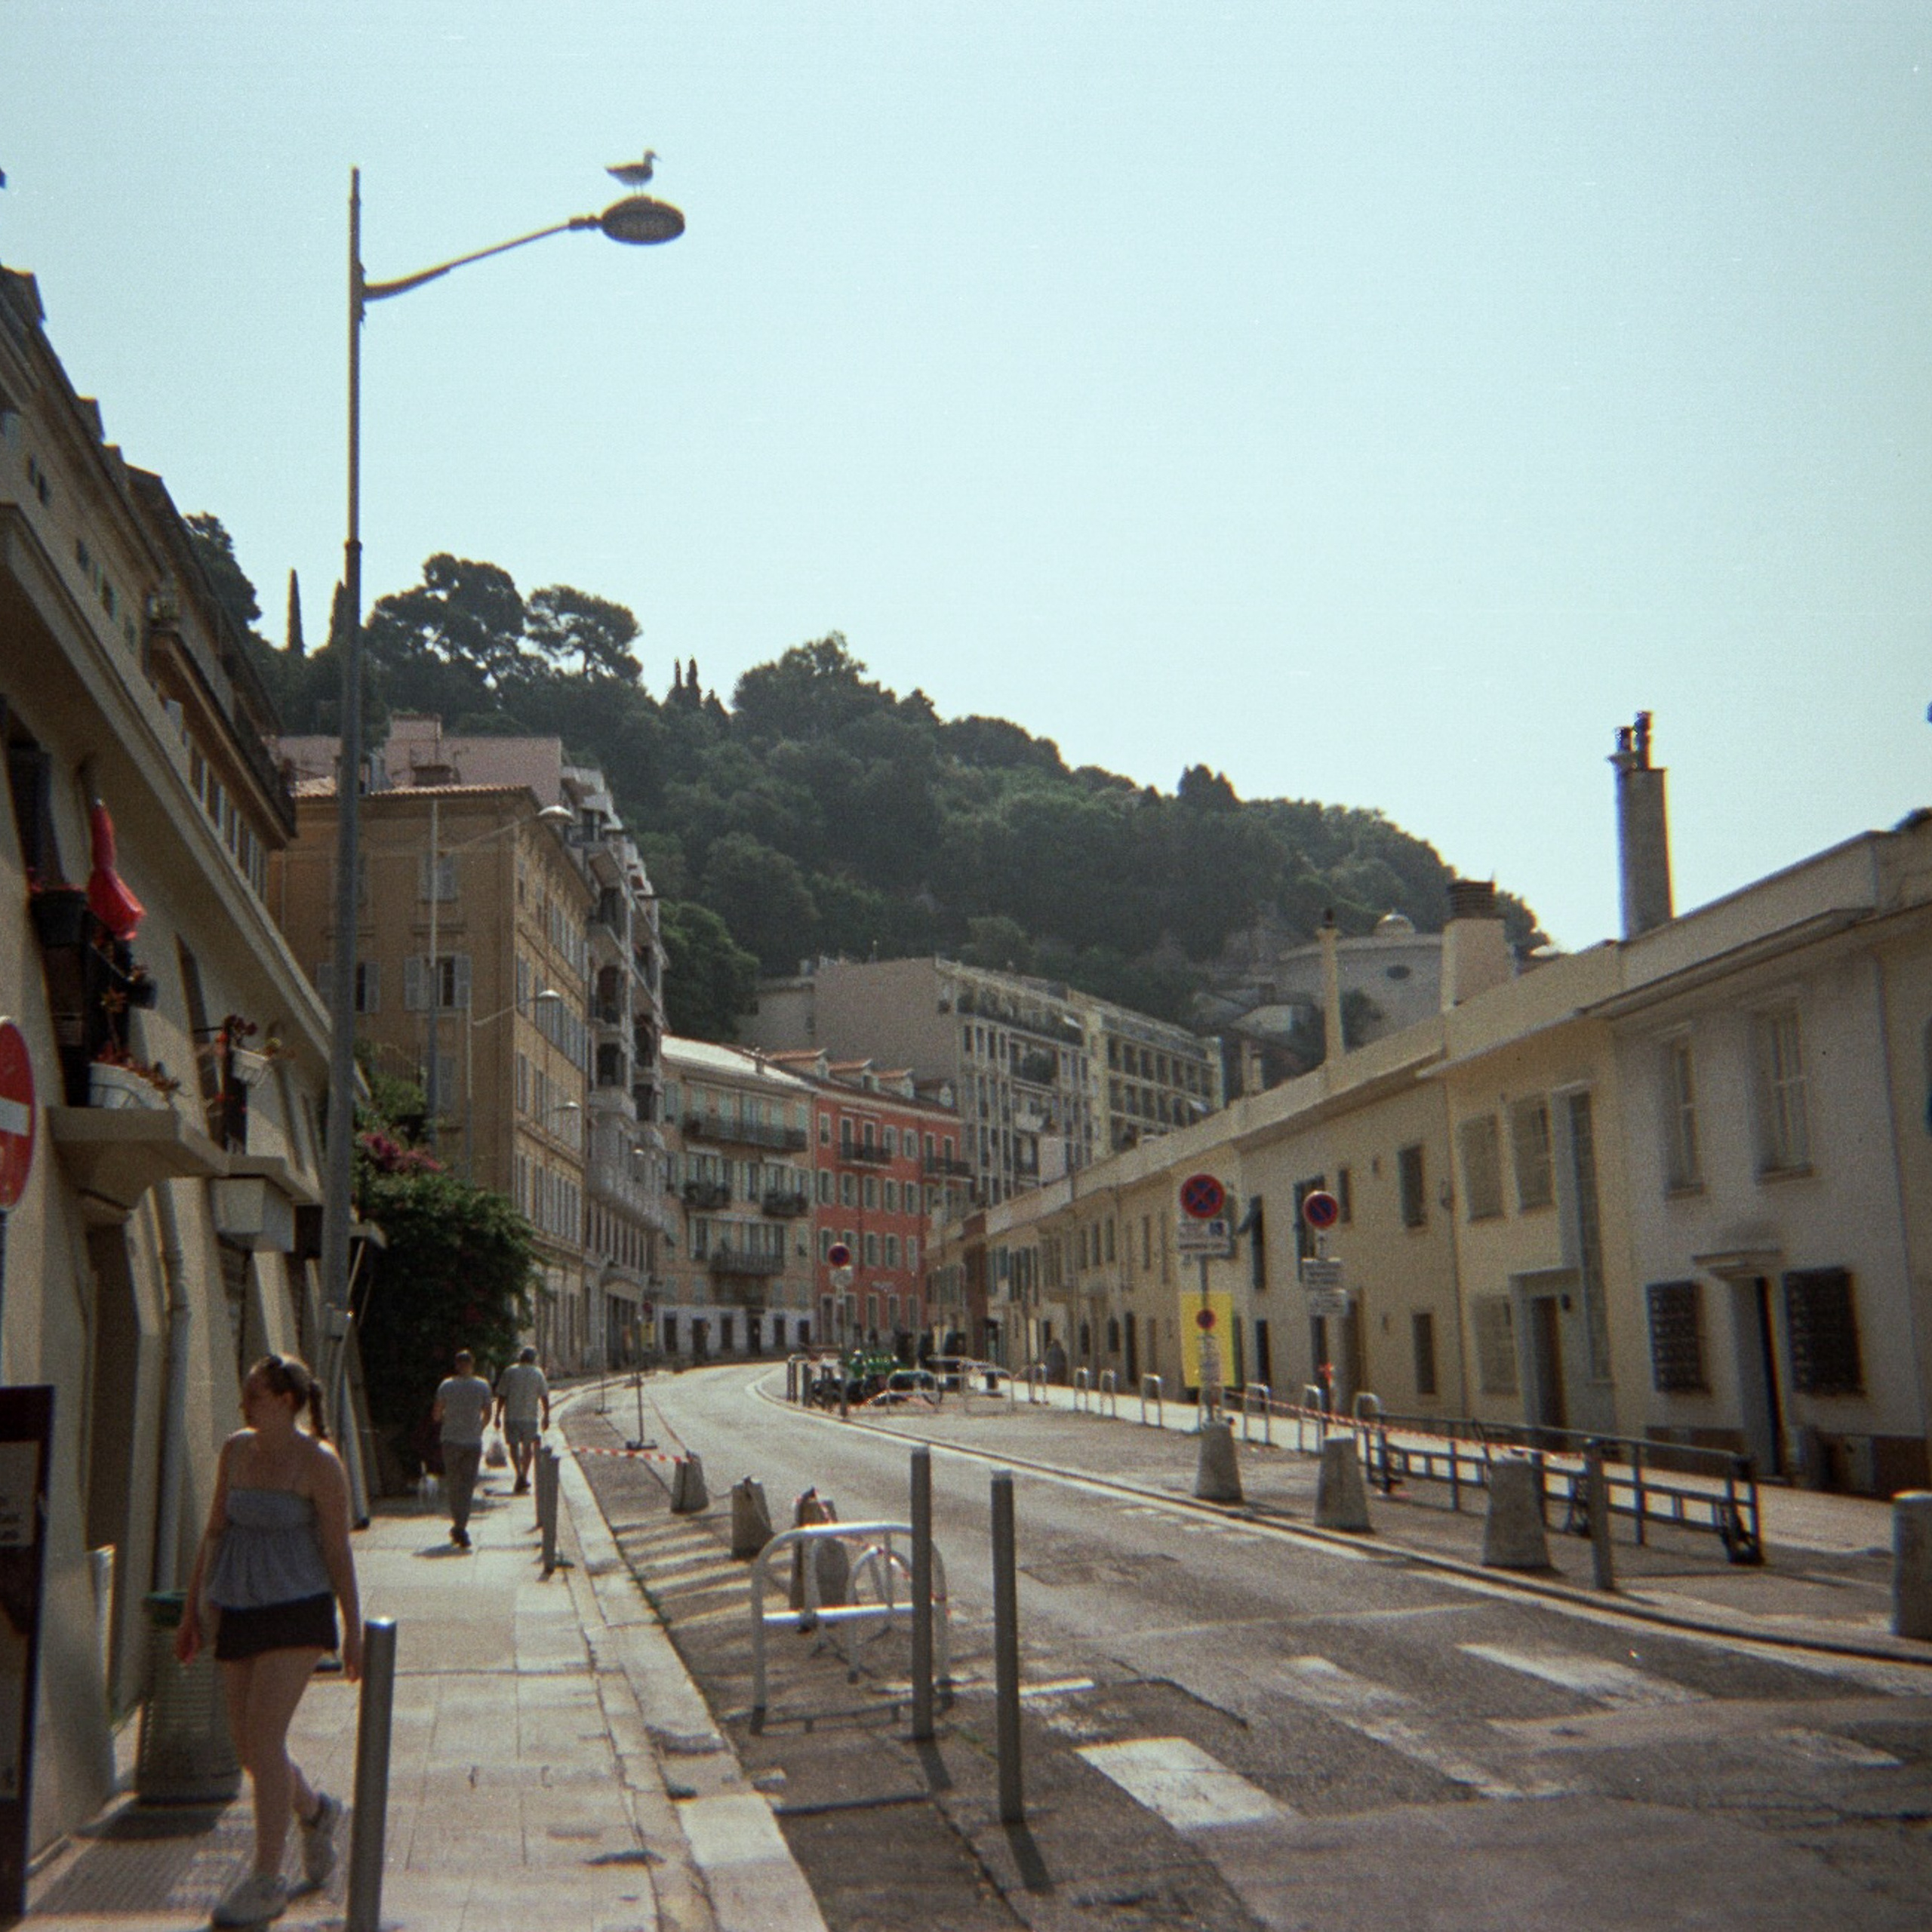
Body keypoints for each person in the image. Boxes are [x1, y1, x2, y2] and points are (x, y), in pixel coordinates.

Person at [177, 1354, 361, 1928]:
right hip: (239, 1604)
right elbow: (214, 1532)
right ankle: (316, 1812)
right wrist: (192, 1610)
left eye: (255, 1395)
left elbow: (338, 1550)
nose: (246, 1403)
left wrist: (354, 1630)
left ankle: (266, 1878)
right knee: (250, 1750)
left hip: (298, 1609)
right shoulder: (236, 1451)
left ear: (286, 1402)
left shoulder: (319, 1463)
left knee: (265, 1734)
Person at [432, 1349, 494, 1548]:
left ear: (457, 1365)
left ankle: (458, 1525)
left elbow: (436, 1414)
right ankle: (462, 1526)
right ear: (473, 1364)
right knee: (467, 1486)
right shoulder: (482, 1385)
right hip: (472, 1442)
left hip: (451, 1440)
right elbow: (488, 1414)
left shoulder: (447, 1385)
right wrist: (479, 1428)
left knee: (454, 1484)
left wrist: (446, 1420)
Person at [494, 1346, 551, 1494]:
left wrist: (497, 1415)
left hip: (511, 1416)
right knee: (527, 1448)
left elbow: (502, 1395)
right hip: (530, 1417)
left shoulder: (510, 1371)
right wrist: (546, 1416)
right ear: (533, 1359)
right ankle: (524, 1475)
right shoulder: (537, 1373)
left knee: (513, 1446)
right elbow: (544, 1396)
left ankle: (519, 1473)